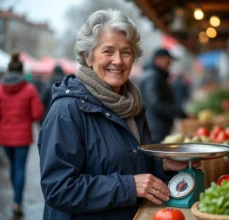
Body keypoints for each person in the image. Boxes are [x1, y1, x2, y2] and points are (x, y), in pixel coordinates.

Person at [38, 8, 199, 220]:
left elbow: (131, 163)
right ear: (88, 57)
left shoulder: (132, 105)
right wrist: (129, 186)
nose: (118, 61)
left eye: (126, 52)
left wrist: (163, 165)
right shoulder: (66, 111)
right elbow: (58, 189)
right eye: (107, 51)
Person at [0, 52, 44, 216]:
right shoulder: (29, 89)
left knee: (13, 167)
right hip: (23, 136)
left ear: (8, 70)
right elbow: (37, 113)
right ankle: (17, 202)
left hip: (4, 136)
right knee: (20, 169)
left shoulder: (0, 89)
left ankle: (15, 198)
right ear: (21, 72)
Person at [139, 48, 186, 144]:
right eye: (168, 59)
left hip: (158, 127)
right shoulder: (153, 77)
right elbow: (156, 105)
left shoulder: (156, 75)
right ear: (158, 59)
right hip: (156, 129)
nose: (170, 63)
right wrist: (180, 113)